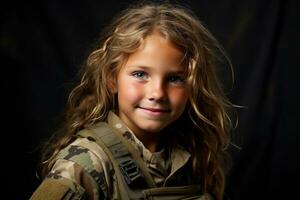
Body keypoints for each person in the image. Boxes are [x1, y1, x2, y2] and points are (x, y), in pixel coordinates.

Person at [30, 1, 235, 200]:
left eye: (174, 79)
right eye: (140, 74)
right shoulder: (87, 163)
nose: (158, 93)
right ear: (112, 79)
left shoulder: (191, 157)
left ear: (194, 87)